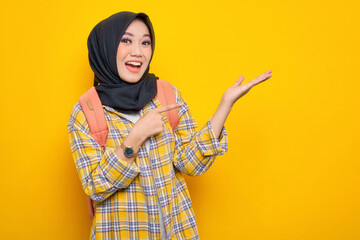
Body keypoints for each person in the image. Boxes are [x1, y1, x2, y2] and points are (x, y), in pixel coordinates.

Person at [67, 11, 272, 240]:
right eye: (126, 40)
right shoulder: (87, 113)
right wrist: (135, 138)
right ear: (105, 46)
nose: (137, 52)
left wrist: (225, 105)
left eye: (145, 42)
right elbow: (95, 186)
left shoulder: (166, 94)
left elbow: (190, 164)